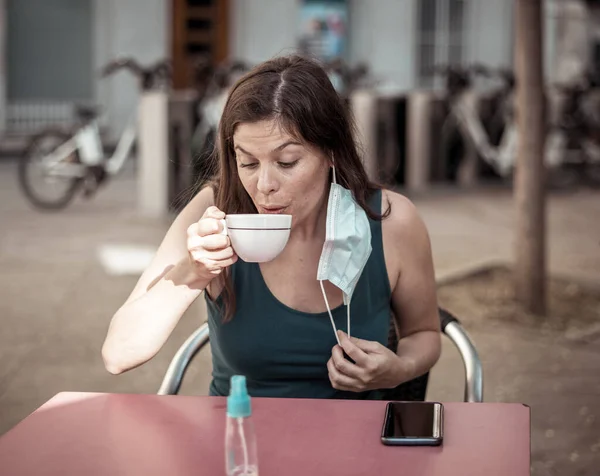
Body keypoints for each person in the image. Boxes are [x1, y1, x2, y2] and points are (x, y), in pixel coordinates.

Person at [101, 55, 441, 399]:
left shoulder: (392, 221)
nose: (264, 184)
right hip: (239, 439)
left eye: (286, 162)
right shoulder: (214, 211)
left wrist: (400, 370)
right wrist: (193, 272)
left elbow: (424, 333)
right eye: (247, 161)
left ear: (331, 152)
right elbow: (118, 355)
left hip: (359, 442)